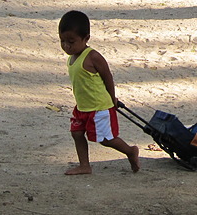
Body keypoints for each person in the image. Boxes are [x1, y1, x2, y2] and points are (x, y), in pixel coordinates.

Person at [58, 10, 141, 175]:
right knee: (76, 133)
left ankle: (131, 151)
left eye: (71, 41)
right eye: (62, 41)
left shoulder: (93, 57)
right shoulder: (72, 57)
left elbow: (107, 77)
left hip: (99, 107)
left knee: (106, 139)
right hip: (82, 107)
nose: (66, 46)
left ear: (86, 38)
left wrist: (112, 98)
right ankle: (84, 165)